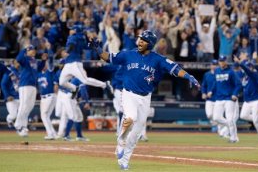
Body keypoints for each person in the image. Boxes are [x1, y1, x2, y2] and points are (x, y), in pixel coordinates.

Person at [89, 30, 200, 170]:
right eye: (139, 39)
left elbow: (175, 68)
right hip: (129, 94)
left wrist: (189, 76)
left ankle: (124, 160)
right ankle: (120, 141)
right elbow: (108, 57)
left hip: (146, 98)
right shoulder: (128, 54)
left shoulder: (158, 59)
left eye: (143, 40)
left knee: (136, 134)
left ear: (151, 44)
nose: (140, 41)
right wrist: (97, 49)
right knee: (130, 117)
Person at [58, 25, 110, 98]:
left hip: (74, 63)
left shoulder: (73, 37)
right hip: (68, 64)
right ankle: (74, 88)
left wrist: (67, 51)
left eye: (72, 29)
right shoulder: (82, 39)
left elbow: (72, 44)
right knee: (62, 82)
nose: (70, 30)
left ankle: (104, 85)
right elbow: (88, 47)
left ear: (75, 30)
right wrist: (93, 42)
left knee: (85, 80)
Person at [14, 45, 47, 137]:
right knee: (23, 105)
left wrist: (43, 60)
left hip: (33, 85)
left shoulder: (34, 61)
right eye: (31, 50)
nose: (33, 51)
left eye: (34, 50)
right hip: (25, 85)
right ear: (27, 51)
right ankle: (18, 125)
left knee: (29, 106)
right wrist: (24, 49)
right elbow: (18, 58)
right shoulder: (25, 59)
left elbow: (39, 69)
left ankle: (23, 126)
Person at [234, 55, 258, 141]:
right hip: (248, 100)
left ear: (251, 67)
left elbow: (247, 70)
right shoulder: (244, 76)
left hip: (257, 99)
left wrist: (240, 63)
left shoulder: (254, 74)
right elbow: (239, 74)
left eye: (249, 66)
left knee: (255, 120)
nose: (248, 68)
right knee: (243, 115)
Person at [208, 55, 242, 143]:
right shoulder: (217, 70)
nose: (221, 62)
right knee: (216, 118)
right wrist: (211, 91)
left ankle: (234, 138)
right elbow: (215, 82)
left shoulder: (231, 72)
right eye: (220, 61)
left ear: (226, 61)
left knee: (230, 118)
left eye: (223, 61)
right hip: (219, 98)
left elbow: (239, 84)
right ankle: (231, 126)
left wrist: (235, 94)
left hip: (229, 98)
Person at [37, 45, 58, 140]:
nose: (45, 65)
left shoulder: (49, 71)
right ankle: (53, 133)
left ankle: (50, 134)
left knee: (44, 116)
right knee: (46, 116)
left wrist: (48, 49)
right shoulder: (38, 73)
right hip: (44, 97)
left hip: (50, 96)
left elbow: (51, 60)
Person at [63, 78, 90, 142]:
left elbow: (78, 92)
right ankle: (66, 135)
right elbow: (83, 91)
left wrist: (78, 99)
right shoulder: (79, 78)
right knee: (72, 116)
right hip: (69, 97)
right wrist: (86, 102)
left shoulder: (77, 78)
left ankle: (79, 136)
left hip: (73, 98)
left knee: (79, 117)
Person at [201, 59, 222, 135]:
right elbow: (204, 85)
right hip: (209, 99)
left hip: (217, 98)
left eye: (216, 65)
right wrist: (203, 92)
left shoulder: (220, 74)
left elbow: (218, 85)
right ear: (211, 65)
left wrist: (211, 92)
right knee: (209, 114)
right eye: (213, 64)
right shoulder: (207, 74)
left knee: (217, 115)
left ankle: (218, 128)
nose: (214, 66)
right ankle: (214, 125)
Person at [0, 60, 20, 128]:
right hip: (12, 97)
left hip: (22, 97)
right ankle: (9, 121)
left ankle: (18, 128)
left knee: (22, 115)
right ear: (14, 63)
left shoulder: (23, 71)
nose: (19, 64)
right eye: (18, 62)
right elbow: (3, 84)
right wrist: (7, 95)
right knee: (13, 115)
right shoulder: (9, 71)